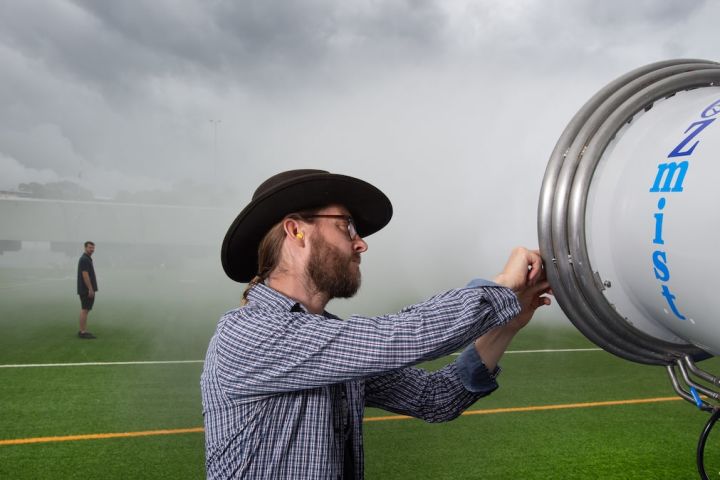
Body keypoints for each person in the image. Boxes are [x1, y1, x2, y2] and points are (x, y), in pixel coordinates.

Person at [201, 169, 551, 479]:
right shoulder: (247, 333)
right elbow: (397, 338)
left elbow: (434, 399)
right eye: (345, 226)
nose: (361, 243)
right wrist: (501, 287)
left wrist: (509, 321)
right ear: (295, 231)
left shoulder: (327, 342)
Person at [77, 241, 98, 339]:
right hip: (86, 290)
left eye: (93, 248)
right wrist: (90, 289)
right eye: (90, 248)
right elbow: (85, 275)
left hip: (86, 289)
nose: (92, 250)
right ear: (85, 248)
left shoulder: (87, 259)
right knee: (84, 310)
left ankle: (83, 330)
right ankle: (82, 332)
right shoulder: (85, 259)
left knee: (85, 309)